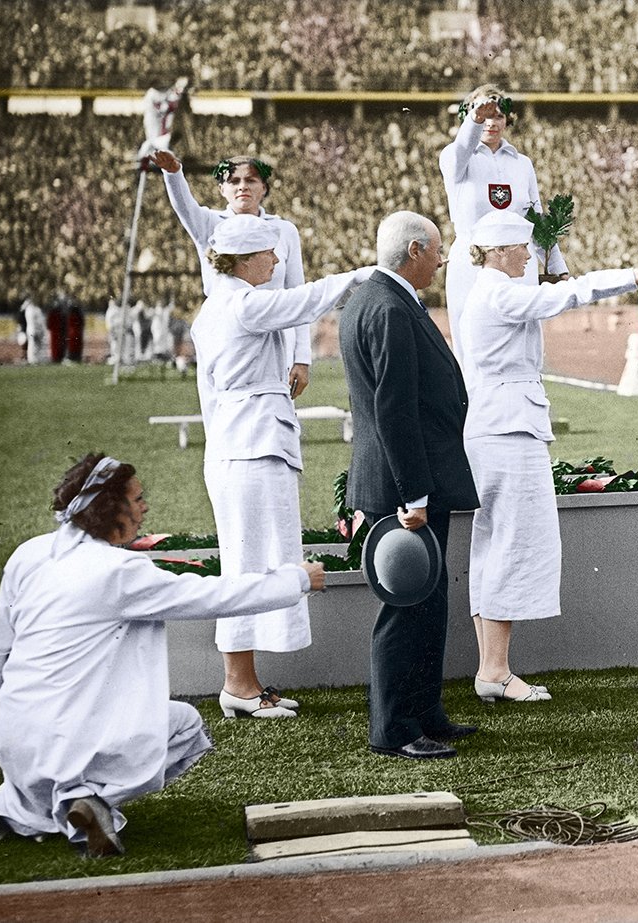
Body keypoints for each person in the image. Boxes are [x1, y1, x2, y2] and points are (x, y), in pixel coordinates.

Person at [0, 454, 325, 868]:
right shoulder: (120, 570)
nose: (145, 507)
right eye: (139, 499)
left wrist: (4, 715)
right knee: (185, 724)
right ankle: (91, 800)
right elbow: (214, 596)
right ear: (112, 509)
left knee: (37, 780)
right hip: (71, 737)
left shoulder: (29, 554)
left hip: (12, 737)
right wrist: (297, 579)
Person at [458, 211, 638, 704]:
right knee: (513, 542)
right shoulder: (499, 293)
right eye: (522, 248)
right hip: (508, 428)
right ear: (500, 251)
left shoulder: (485, 290)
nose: (529, 255)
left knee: (492, 546)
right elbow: (568, 294)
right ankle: (496, 668)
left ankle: (492, 667)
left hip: (496, 425)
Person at [192, 214, 371, 718]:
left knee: (252, 561)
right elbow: (303, 302)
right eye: (270, 254)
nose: (277, 260)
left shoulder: (221, 304)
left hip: (244, 443)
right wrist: (365, 274)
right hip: (248, 446)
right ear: (247, 259)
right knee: (246, 565)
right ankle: (239, 687)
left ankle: (244, 683)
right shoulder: (241, 304)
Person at [340, 211, 481, 760]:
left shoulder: (374, 299)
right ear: (415, 249)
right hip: (405, 488)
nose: (443, 259)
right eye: (438, 250)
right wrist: (414, 496)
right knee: (405, 607)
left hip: (409, 479)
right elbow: (393, 409)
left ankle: (425, 712)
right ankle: (395, 728)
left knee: (428, 601)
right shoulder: (390, 307)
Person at [152, 150, 312, 401]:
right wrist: (173, 174)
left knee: (274, 419)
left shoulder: (284, 230)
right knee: (221, 418)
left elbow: (298, 295)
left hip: (274, 340)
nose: (242, 187)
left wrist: (302, 359)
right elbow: (185, 206)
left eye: (250, 180)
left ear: (264, 187)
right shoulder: (210, 224)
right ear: (221, 190)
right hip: (225, 336)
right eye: (233, 181)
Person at [439, 83, 569, 371]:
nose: (491, 122)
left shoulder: (522, 164)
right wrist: (475, 118)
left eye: (497, 115)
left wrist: (558, 266)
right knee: (471, 349)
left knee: (523, 344)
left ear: (508, 120)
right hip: (472, 262)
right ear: (467, 116)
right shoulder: (456, 157)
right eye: (483, 114)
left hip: (517, 264)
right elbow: (462, 148)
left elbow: (536, 219)